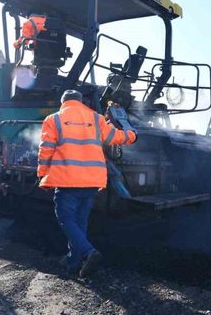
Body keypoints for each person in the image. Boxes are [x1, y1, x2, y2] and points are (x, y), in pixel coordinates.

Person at [38, 90, 137, 278]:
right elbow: (114, 138)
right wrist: (132, 135)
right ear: (81, 101)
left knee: (66, 220)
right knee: (80, 222)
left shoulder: (54, 119)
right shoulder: (97, 118)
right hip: (91, 182)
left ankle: (88, 252)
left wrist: (42, 174)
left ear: (63, 102)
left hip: (67, 181)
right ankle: (73, 262)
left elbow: (46, 150)